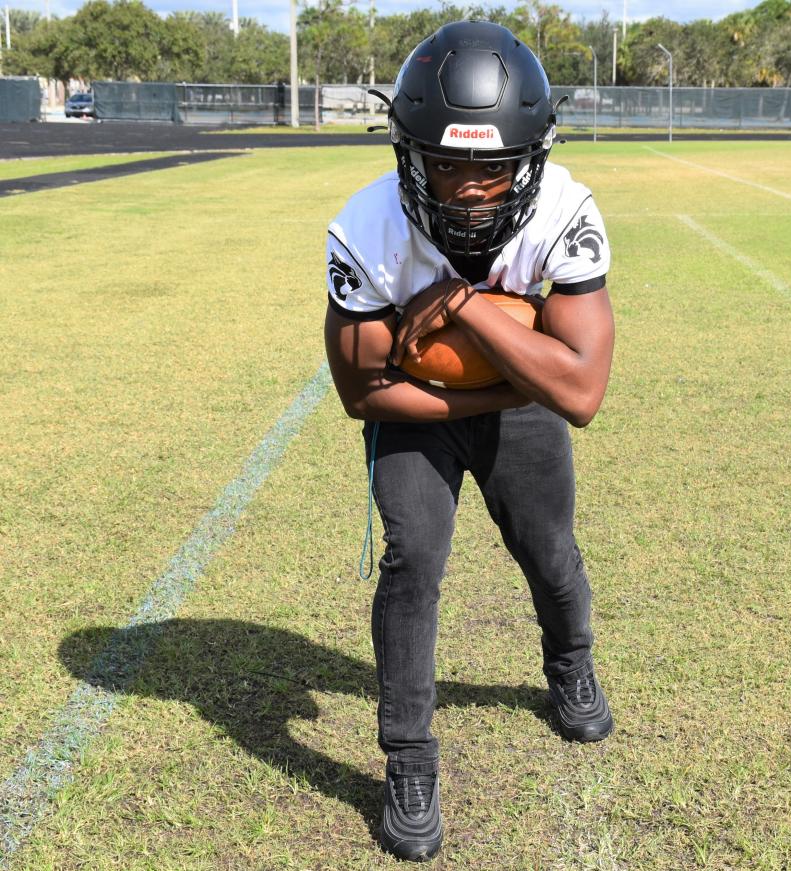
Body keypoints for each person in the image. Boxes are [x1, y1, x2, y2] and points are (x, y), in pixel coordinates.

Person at [323, 20, 615, 862]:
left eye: (492, 170)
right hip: (416, 408)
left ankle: (570, 665)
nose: (470, 192)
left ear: (532, 158)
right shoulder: (367, 226)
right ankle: (409, 759)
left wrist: (468, 306)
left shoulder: (564, 209)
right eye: (448, 164)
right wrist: (496, 382)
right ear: (408, 154)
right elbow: (361, 390)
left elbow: (583, 392)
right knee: (413, 558)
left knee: (549, 551)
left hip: (515, 403)